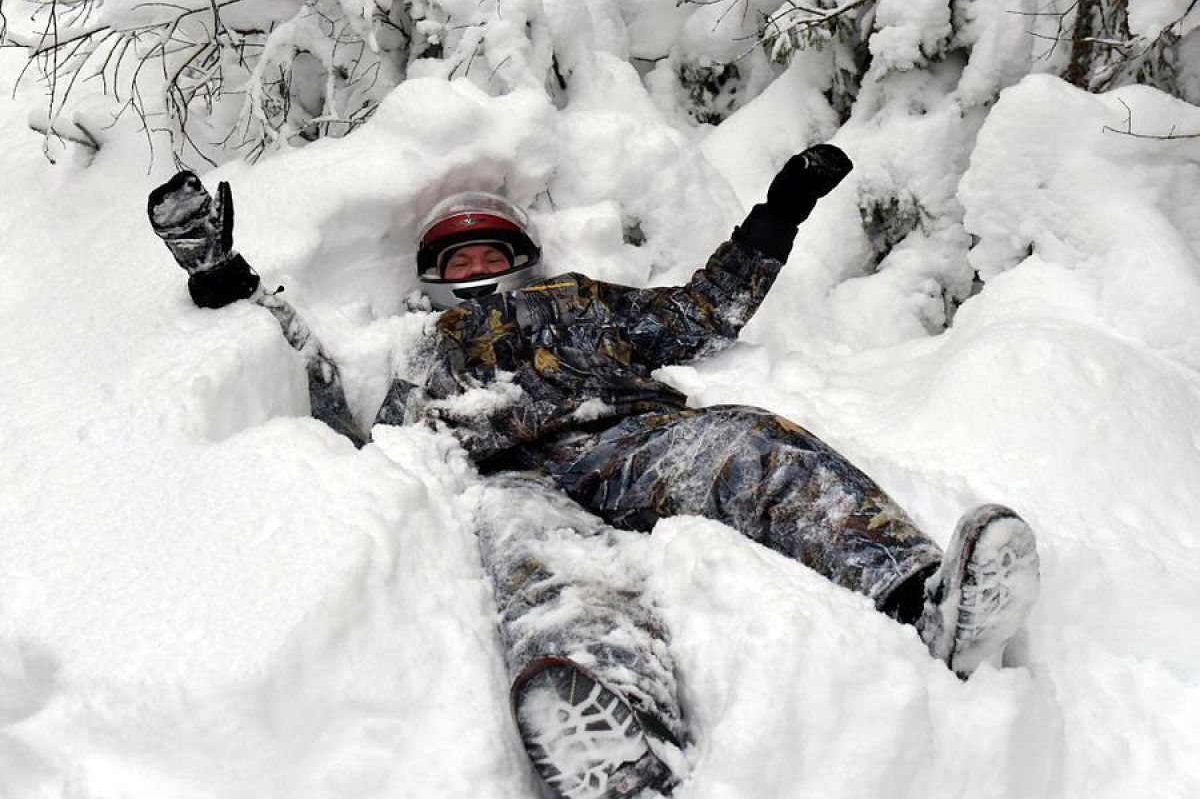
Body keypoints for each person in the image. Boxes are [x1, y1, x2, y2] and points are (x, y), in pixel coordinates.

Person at [147, 146, 1040, 799]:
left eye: (490, 253)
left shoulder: (578, 302)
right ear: (433, 277)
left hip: (625, 439)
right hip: (507, 476)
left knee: (747, 444)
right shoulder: (418, 349)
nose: (476, 268)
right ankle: (622, 746)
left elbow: (701, 312)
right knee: (547, 572)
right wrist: (230, 280)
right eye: (458, 260)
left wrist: (780, 213)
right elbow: (336, 411)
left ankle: (921, 597)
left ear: (521, 258)